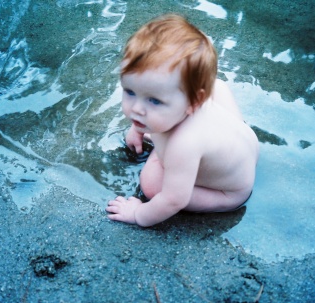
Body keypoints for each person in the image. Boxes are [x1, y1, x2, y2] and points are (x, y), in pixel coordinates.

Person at [106, 14, 259, 227]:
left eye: (154, 100)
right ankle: (160, 116)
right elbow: (142, 108)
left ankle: (163, 151)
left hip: (228, 191)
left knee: (151, 184)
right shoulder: (186, 98)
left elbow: (173, 200)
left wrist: (137, 214)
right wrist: (138, 129)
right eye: (130, 91)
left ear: (193, 103)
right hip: (242, 142)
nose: (136, 109)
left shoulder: (184, 143)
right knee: (216, 86)